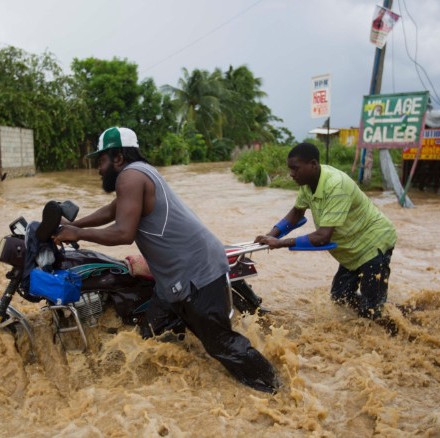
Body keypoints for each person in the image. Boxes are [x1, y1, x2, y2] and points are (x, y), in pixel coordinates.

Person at [54, 127, 279, 393]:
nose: (98, 169)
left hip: (195, 272)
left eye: (101, 160)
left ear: (117, 158)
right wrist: (73, 225)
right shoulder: (140, 173)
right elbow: (112, 210)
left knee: (220, 343)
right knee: (150, 332)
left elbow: (124, 232)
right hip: (176, 275)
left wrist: (78, 233)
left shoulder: (130, 177)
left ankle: (274, 389)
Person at [254, 143, 397, 326]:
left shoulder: (335, 185)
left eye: (295, 168)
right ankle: (382, 310)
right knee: (340, 297)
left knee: (371, 312)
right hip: (351, 249)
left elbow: (322, 237)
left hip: (373, 243)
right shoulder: (308, 184)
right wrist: (269, 236)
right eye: (290, 168)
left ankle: (401, 322)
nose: (291, 174)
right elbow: (296, 214)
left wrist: (280, 243)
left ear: (313, 164)